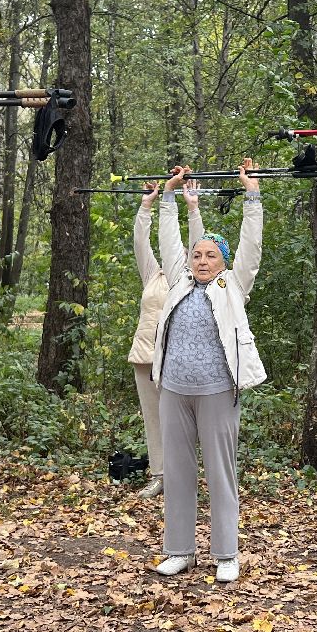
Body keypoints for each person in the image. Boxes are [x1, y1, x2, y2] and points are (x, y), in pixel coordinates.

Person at [152, 163, 264, 584]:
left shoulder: (233, 286)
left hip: (218, 390)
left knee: (220, 470)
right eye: (197, 255)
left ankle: (226, 553)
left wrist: (252, 197)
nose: (201, 260)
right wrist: (170, 197)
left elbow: (250, 246)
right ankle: (179, 550)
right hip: (174, 390)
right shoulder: (179, 284)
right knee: (178, 471)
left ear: (223, 261)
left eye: (210, 255)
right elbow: (170, 242)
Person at [129, 181, 203, 499]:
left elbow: (199, 243)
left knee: (183, 421)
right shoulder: (153, 275)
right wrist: (146, 206)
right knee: (153, 419)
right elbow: (139, 243)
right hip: (145, 356)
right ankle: (160, 476)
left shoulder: (190, 280)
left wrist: (192, 208)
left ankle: (184, 477)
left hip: (176, 358)